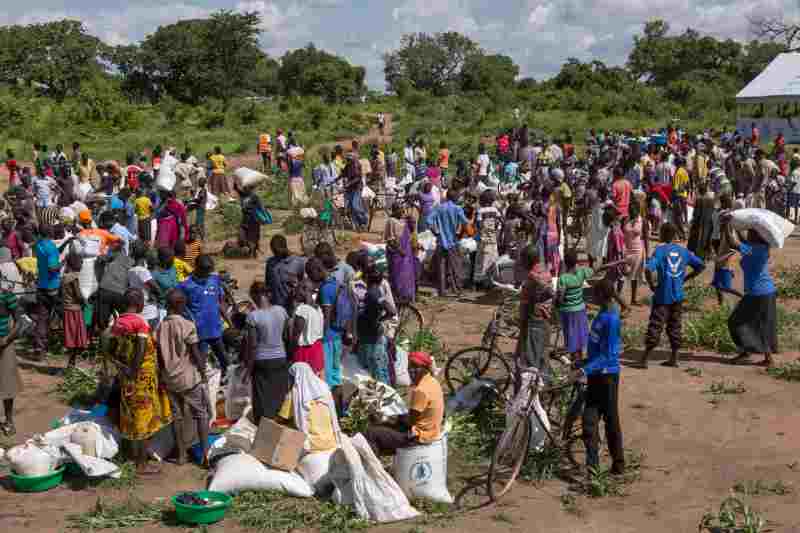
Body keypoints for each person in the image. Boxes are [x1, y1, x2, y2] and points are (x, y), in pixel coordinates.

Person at [107, 288, 172, 475]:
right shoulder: (140, 322)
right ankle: (141, 464)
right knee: (143, 418)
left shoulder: (117, 323)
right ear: (140, 304)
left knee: (129, 415)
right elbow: (142, 347)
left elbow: (111, 349)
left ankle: (130, 455)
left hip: (126, 378)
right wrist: (134, 369)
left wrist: (122, 367)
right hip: (141, 379)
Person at [570, 278, 625, 476]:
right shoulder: (602, 313)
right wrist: (584, 362)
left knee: (611, 423)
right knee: (588, 423)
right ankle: (593, 468)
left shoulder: (611, 319)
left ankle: (619, 465)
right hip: (595, 376)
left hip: (608, 378)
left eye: (594, 294)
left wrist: (583, 370)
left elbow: (608, 355)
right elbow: (597, 350)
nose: (591, 297)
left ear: (602, 296)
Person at [637, 223, 705, 369]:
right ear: (674, 235)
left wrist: (651, 285)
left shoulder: (660, 251)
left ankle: (644, 359)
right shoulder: (684, 251)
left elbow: (648, 270)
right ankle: (674, 358)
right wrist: (686, 278)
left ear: (662, 234)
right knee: (675, 326)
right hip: (678, 296)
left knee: (655, 325)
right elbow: (701, 266)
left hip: (662, 295)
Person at [155, 288, 209, 466]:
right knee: (201, 414)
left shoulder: (161, 326)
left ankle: (181, 455)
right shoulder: (187, 325)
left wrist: (162, 376)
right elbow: (195, 353)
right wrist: (203, 373)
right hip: (188, 379)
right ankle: (205, 455)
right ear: (180, 305)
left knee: (176, 417)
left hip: (170, 379)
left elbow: (160, 356)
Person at [364, 351, 444, 456]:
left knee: (371, 433)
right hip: (433, 431)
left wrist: (387, 418)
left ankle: (374, 468)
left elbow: (410, 422)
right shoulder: (433, 382)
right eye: (410, 367)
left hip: (420, 437)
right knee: (384, 427)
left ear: (425, 369)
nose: (411, 370)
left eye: (416, 367)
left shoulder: (420, 390)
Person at [721, 229, 778, 367]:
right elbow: (742, 241)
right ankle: (766, 357)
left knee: (735, 321)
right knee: (762, 324)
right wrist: (735, 227)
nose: (747, 234)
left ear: (755, 237)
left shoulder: (752, 249)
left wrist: (726, 225)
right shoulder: (761, 248)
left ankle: (746, 352)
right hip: (766, 291)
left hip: (758, 293)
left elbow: (733, 243)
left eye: (750, 232)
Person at [557, 250, 623, 361]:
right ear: (576, 262)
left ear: (565, 263)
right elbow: (601, 268)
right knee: (579, 337)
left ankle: (575, 362)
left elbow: (560, 297)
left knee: (572, 338)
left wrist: (557, 302)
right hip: (580, 310)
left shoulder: (563, 278)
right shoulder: (582, 272)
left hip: (568, 312)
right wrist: (620, 261)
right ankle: (580, 359)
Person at [242, 281, 291, 423]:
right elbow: (287, 336)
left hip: (262, 361)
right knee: (279, 393)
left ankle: (263, 428)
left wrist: (248, 370)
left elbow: (252, 346)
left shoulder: (253, 317)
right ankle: (279, 423)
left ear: (254, 295)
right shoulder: (281, 311)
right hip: (280, 357)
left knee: (262, 396)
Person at [179, 255, 229, 377]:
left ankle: (225, 380)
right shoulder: (185, 285)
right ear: (197, 268)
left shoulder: (214, 279)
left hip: (215, 329)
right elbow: (180, 307)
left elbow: (220, 300)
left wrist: (229, 322)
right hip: (198, 333)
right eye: (205, 271)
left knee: (224, 359)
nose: (208, 274)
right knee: (200, 364)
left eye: (209, 271)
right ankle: (203, 386)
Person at [277, 362, 341, 453]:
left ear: (296, 377)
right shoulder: (324, 387)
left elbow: (281, 418)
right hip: (331, 440)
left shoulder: (295, 394)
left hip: (312, 444)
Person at [516, 244, 554, 373]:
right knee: (543, 356)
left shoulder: (532, 277)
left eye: (523, 259)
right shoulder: (545, 271)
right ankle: (545, 387)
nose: (521, 262)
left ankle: (533, 389)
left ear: (528, 260)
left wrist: (521, 321)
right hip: (545, 319)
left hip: (534, 322)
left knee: (530, 360)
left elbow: (526, 303)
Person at [357, 265, 396, 384]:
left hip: (372, 337)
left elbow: (392, 311)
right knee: (378, 370)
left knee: (378, 373)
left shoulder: (372, 294)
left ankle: (385, 398)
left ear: (368, 278)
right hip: (372, 335)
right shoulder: (376, 291)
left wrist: (378, 320)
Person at [428, 188, 468, 297]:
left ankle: (442, 291)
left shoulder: (439, 208)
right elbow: (465, 222)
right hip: (453, 242)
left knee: (441, 267)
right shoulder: (457, 209)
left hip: (441, 241)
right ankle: (458, 290)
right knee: (456, 266)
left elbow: (429, 221)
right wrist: (460, 234)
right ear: (455, 198)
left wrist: (436, 232)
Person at [289, 262, 326, 377]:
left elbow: (295, 337)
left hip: (304, 352)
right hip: (317, 349)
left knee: (303, 382)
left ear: (305, 290)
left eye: (298, 289)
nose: (296, 292)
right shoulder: (318, 309)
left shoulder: (302, 310)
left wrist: (290, 352)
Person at [32, 225, 62, 359]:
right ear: (49, 232)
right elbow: (52, 268)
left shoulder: (38, 245)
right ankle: (68, 343)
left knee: (42, 318)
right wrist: (62, 264)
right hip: (53, 286)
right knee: (63, 313)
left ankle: (39, 348)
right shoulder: (51, 247)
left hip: (41, 285)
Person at [0, 266, 21, 436]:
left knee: (7, 384)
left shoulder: (7, 296)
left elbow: (20, 322)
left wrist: (6, 340)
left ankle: (8, 420)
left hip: (4, 346)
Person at [96, 239, 134, 332]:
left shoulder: (114, 255)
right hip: (120, 292)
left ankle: (103, 339)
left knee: (102, 322)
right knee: (124, 318)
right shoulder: (131, 261)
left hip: (105, 289)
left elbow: (100, 259)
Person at [383, 204, 417, 303]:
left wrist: (411, 219)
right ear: (394, 211)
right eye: (400, 210)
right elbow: (390, 239)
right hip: (396, 254)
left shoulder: (403, 222)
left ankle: (406, 296)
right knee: (396, 276)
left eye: (403, 210)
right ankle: (397, 297)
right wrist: (399, 250)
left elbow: (412, 229)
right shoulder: (391, 221)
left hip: (406, 255)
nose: (402, 212)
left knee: (406, 276)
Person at [265, 235, 306, 311]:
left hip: (293, 307)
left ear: (284, 247)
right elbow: (268, 284)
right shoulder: (270, 263)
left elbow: (303, 283)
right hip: (276, 307)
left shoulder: (298, 262)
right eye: (273, 251)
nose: (275, 253)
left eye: (277, 251)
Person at [62, 252, 89, 368]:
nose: (82, 264)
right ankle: (71, 362)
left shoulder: (65, 276)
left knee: (72, 336)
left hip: (67, 308)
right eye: (81, 262)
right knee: (74, 337)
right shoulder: (73, 277)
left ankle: (72, 361)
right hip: (74, 310)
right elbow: (78, 295)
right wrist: (85, 302)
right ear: (76, 264)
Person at [128, 241, 161, 329]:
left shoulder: (131, 270)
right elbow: (156, 288)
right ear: (145, 255)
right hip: (149, 311)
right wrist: (158, 296)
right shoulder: (142, 271)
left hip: (139, 310)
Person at [623, 200, 649, 305]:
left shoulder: (643, 221)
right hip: (626, 250)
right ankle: (620, 298)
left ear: (638, 211)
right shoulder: (625, 219)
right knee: (622, 274)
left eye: (633, 211)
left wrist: (648, 255)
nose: (631, 212)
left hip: (638, 251)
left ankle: (633, 299)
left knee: (634, 276)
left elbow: (646, 239)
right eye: (630, 210)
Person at [474, 190, 501, 289]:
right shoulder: (495, 210)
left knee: (481, 260)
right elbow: (499, 222)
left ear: (483, 200)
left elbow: (479, 224)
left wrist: (483, 230)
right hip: (493, 239)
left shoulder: (480, 211)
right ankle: (491, 281)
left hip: (483, 239)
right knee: (492, 259)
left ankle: (480, 282)